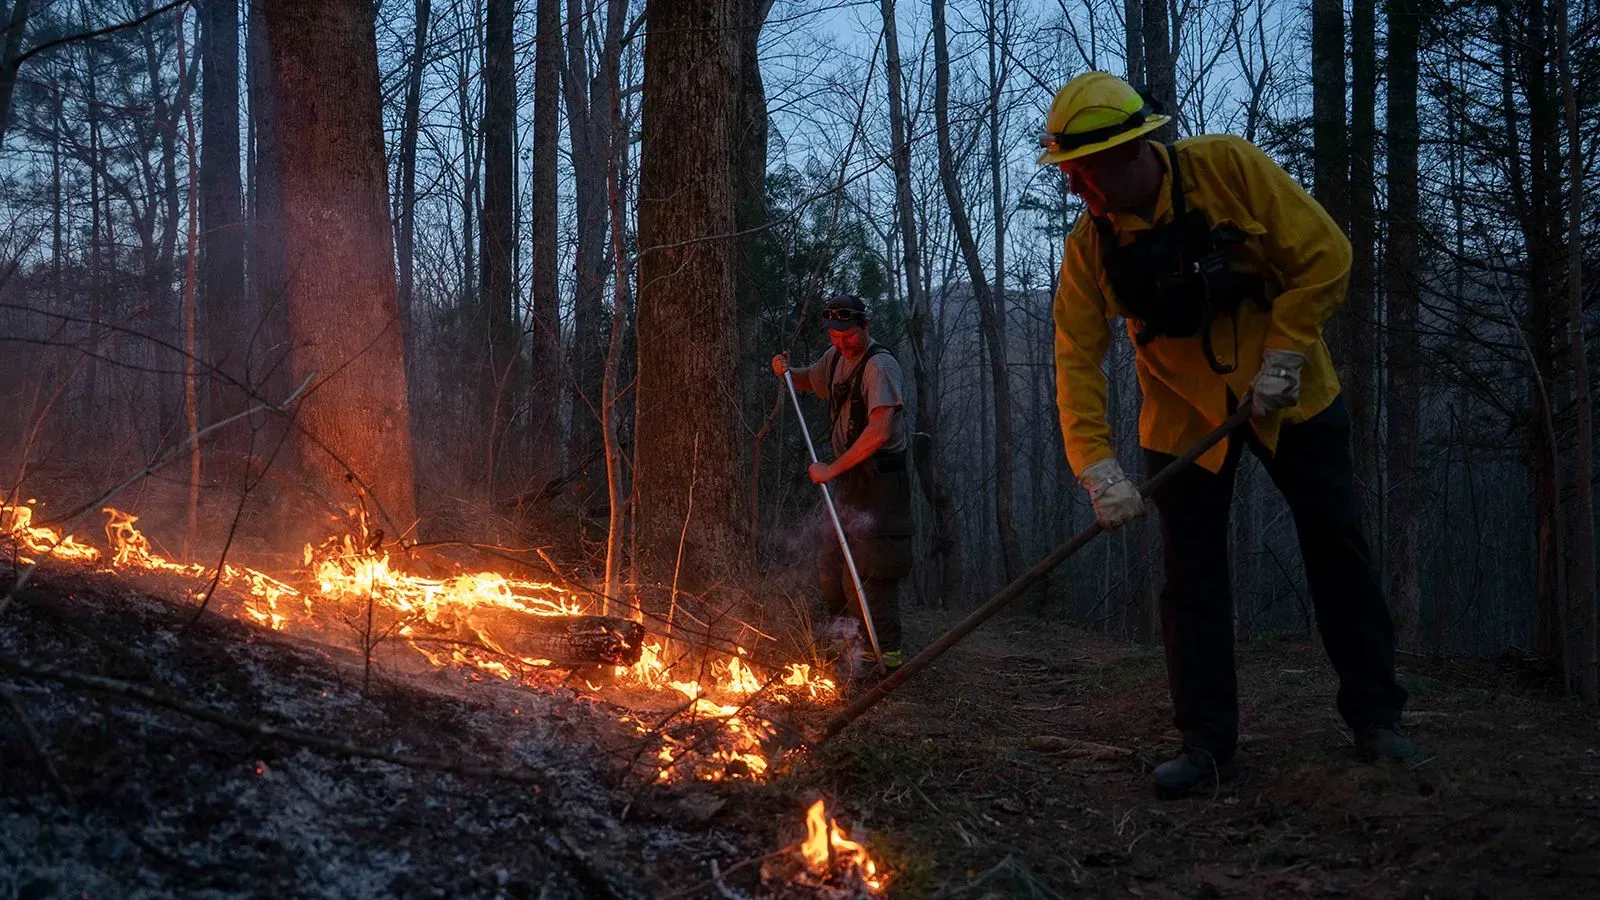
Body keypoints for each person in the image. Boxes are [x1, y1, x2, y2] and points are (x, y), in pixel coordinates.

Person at [1037, 71, 1417, 797]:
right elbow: (1075, 357)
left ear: (1132, 153)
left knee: (1337, 549)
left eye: (1082, 174)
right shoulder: (1091, 245)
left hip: (1292, 396)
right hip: (1182, 420)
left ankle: (1377, 719)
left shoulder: (1229, 170)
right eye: (1069, 176)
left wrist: (1286, 349)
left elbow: (1326, 255)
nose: (1075, 190)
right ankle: (1208, 746)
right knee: (1191, 582)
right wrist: (1097, 467)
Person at [771, 294, 912, 673]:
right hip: (849, 481)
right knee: (832, 569)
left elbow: (880, 432)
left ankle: (885, 657)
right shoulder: (834, 358)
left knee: (868, 569)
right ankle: (847, 646)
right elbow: (806, 380)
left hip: (881, 482)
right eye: (835, 334)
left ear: (865, 326)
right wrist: (786, 370)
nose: (842, 342)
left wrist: (831, 470)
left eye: (849, 334)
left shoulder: (879, 366)